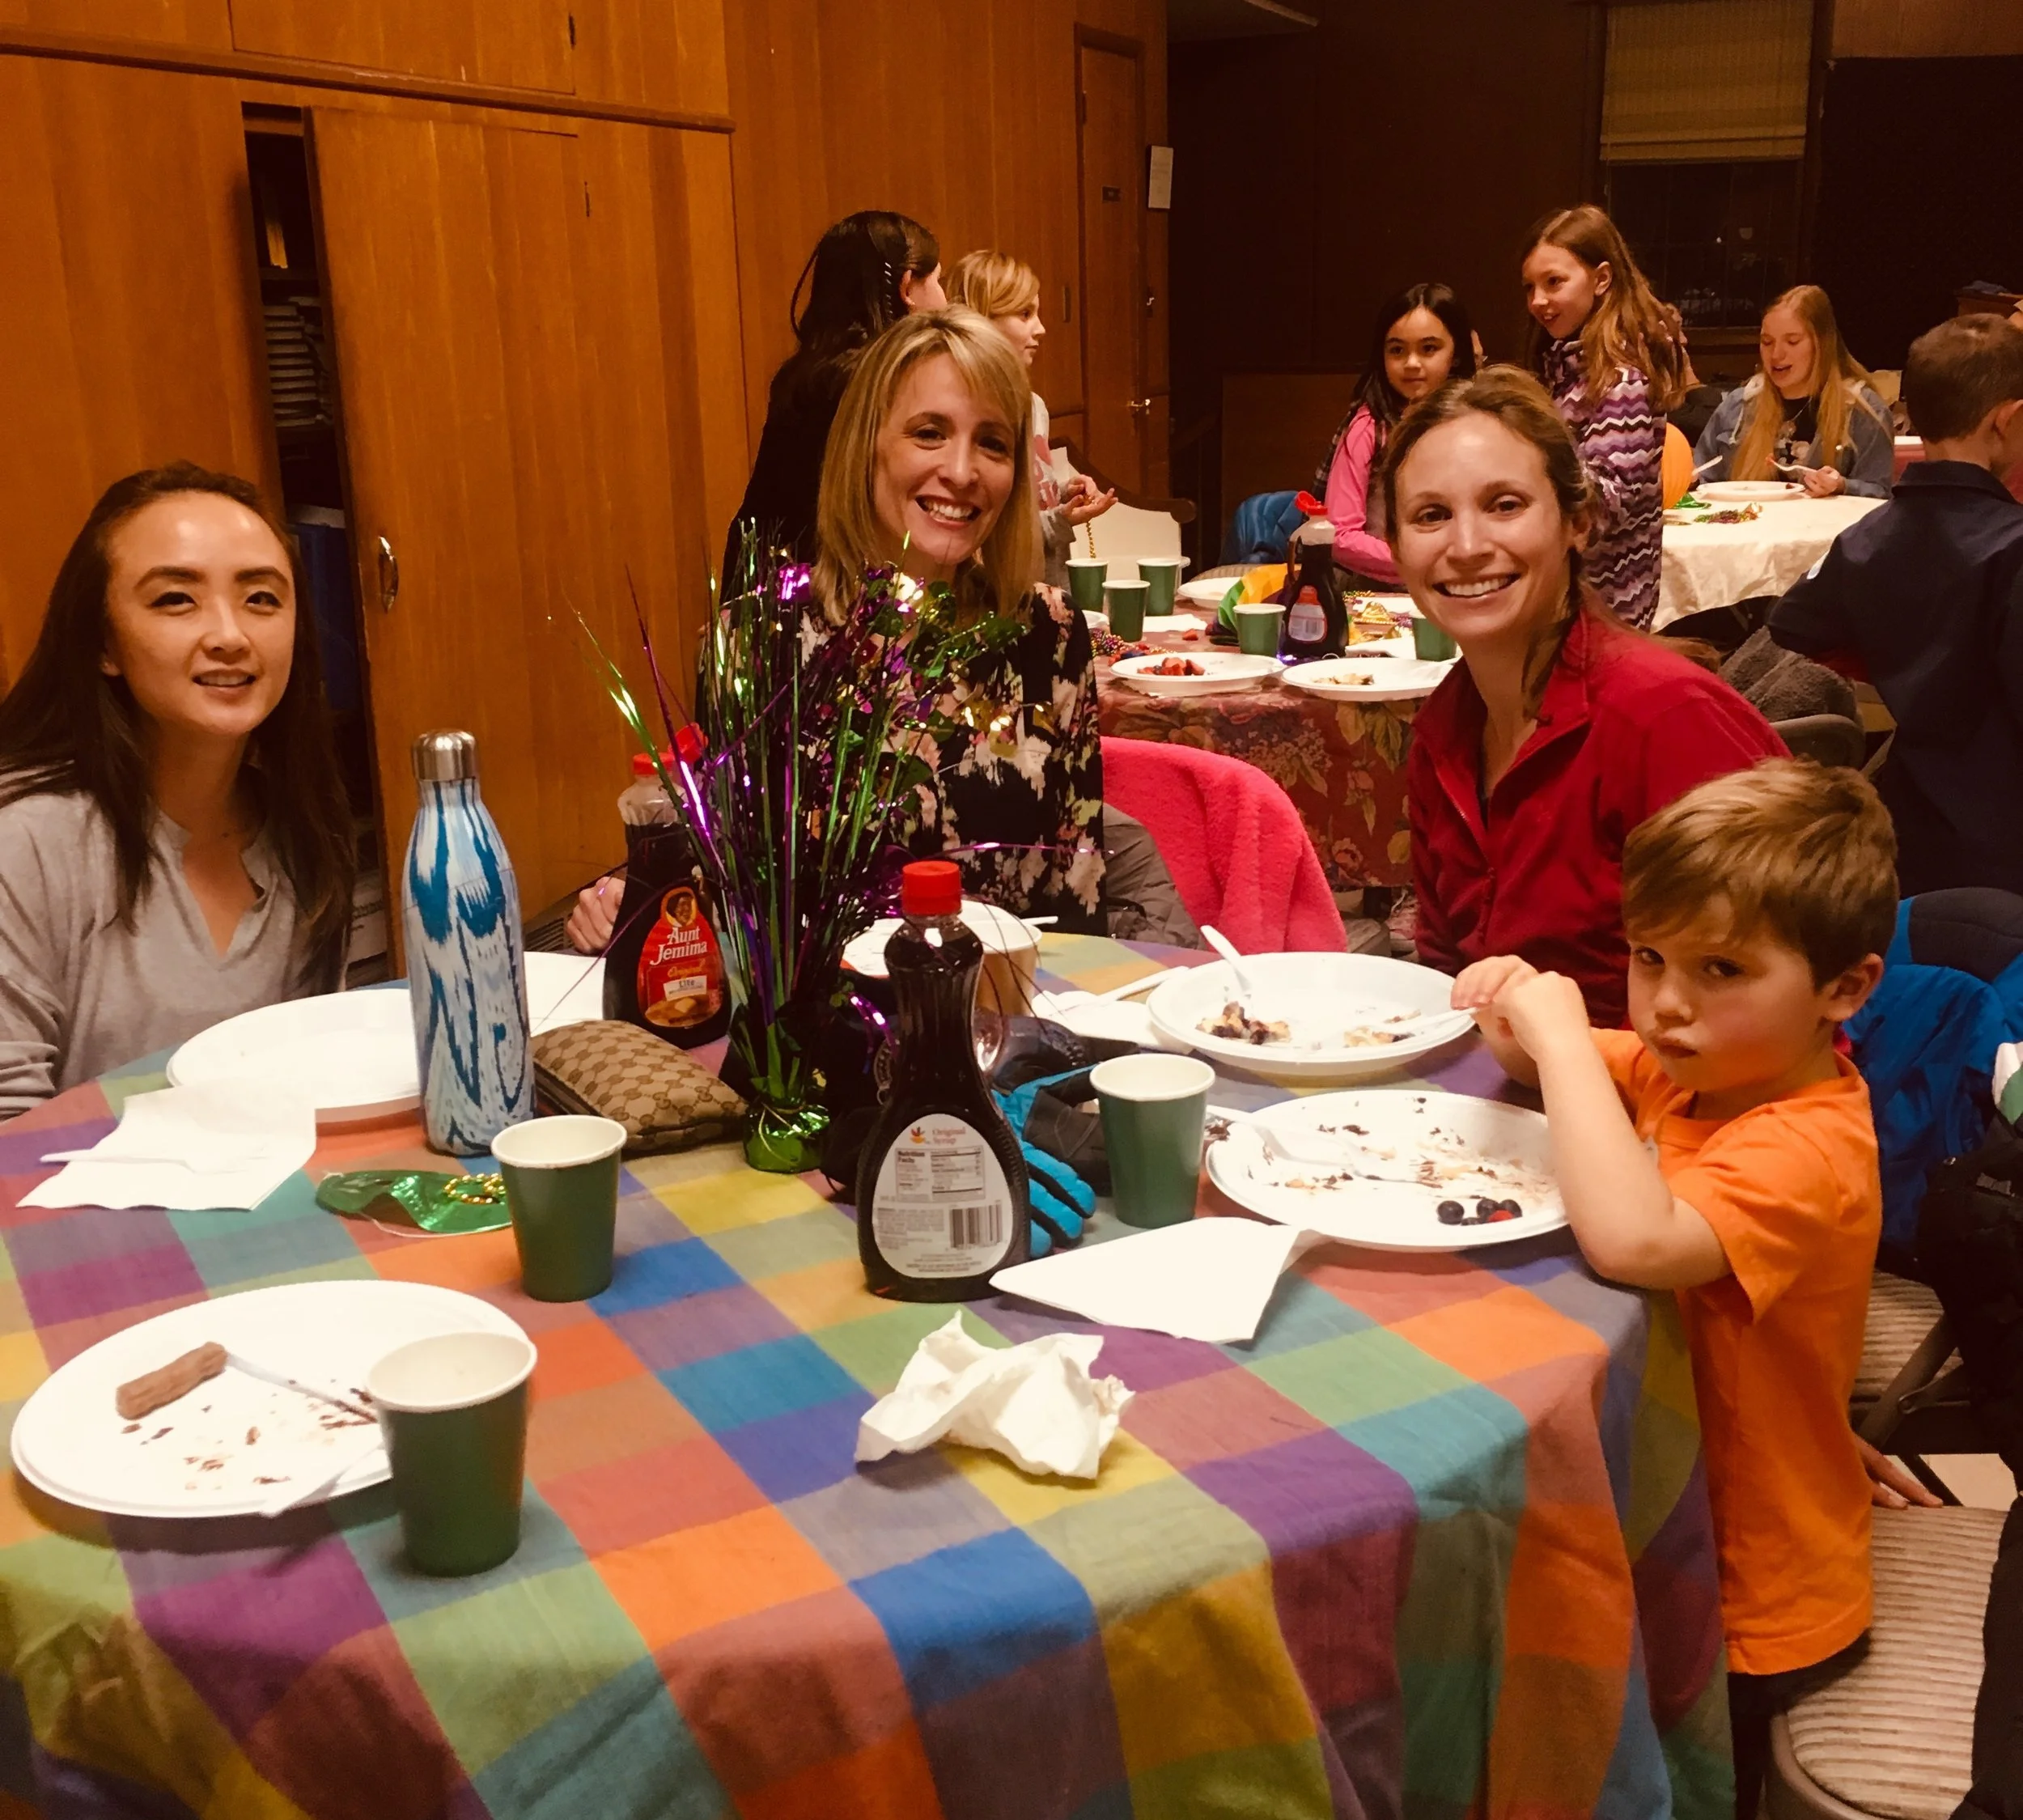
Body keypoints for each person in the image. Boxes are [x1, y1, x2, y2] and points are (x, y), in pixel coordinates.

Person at [1457, 759, 1895, 1818]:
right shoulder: (1707, 1067)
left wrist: (1561, 1036)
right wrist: (1507, 1006)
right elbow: (1545, 1067)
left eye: (1721, 968)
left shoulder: (1807, 1142)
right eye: (1648, 957)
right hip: (1681, 1494)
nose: (1664, 1004)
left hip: (1748, 1592)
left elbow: (1634, 1239)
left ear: (1846, 989)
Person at [1385, 367, 1784, 1027]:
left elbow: (1777, 1020)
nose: (1466, 546)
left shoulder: (1667, 720)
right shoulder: (1444, 731)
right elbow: (1449, 982)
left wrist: (1569, 1060)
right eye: (1432, 515)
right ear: (1396, 551)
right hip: (1507, 1109)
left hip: (1679, 1119)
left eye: (1505, 505)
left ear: (1577, 521)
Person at [0, 464, 355, 1118]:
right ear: (104, 643)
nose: (229, 635)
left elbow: (310, 1083)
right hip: (64, 1211)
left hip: (254, 1204)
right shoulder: (25, 838)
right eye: (175, 600)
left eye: (261, 599)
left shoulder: (304, 828)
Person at [808, 308, 1105, 926]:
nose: (963, 471)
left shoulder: (1049, 634)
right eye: (929, 433)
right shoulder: (770, 643)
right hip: (826, 1018)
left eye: (992, 442)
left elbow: (1081, 897)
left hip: (1017, 1009)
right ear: (867, 445)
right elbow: (721, 905)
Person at [1768, 312, 2023, 894]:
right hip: (2005, 845)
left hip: (1906, 830)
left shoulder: (1867, 535)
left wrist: (1895, 656)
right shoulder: (2014, 547)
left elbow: (1792, 626)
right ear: (2007, 420)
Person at [722, 210, 944, 587]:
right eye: (940, 282)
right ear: (907, 288)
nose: (945, 298)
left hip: (766, 580)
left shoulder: (804, 374)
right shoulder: (882, 382)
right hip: (836, 594)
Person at [1521, 205, 1683, 628]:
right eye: (1530, 287)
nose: (1538, 301)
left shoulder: (1621, 381)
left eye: (1554, 282)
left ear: (1602, 279)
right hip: (1572, 604)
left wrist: (1525, 455)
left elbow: (1607, 507)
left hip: (1604, 615)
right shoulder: (1567, 368)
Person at [945, 249, 1114, 588]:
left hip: (1048, 589)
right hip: (1000, 601)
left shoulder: (1033, 406)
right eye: (1025, 314)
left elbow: (1029, 499)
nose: (1041, 329)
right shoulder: (968, 415)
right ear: (981, 320)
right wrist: (1060, 521)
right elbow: (986, 534)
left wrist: (1066, 493)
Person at [1313, 282, 1478, 589]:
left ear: (1456, 353)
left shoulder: (1477, 425)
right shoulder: (1369, 427)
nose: (1411, 363)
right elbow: (1339, 534)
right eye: (1397, 350)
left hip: (1465, 580)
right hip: (1378, 590)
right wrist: (1420, 561)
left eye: (1429, 348)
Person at [1695, 286, 1895, 498]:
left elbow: (1881, 497)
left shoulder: (1863, 411)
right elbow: (1702, 481)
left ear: (1821, 344)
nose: (1776, 354)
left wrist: (1842, 486)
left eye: (1792, 342)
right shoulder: (1738, 407)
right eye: (1767, 342)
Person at [1661, 303, 1728, 448]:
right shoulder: (1659, 408)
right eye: (1675, 329)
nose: (1684, 339)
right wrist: (1687, 371)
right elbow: (1713, 422)